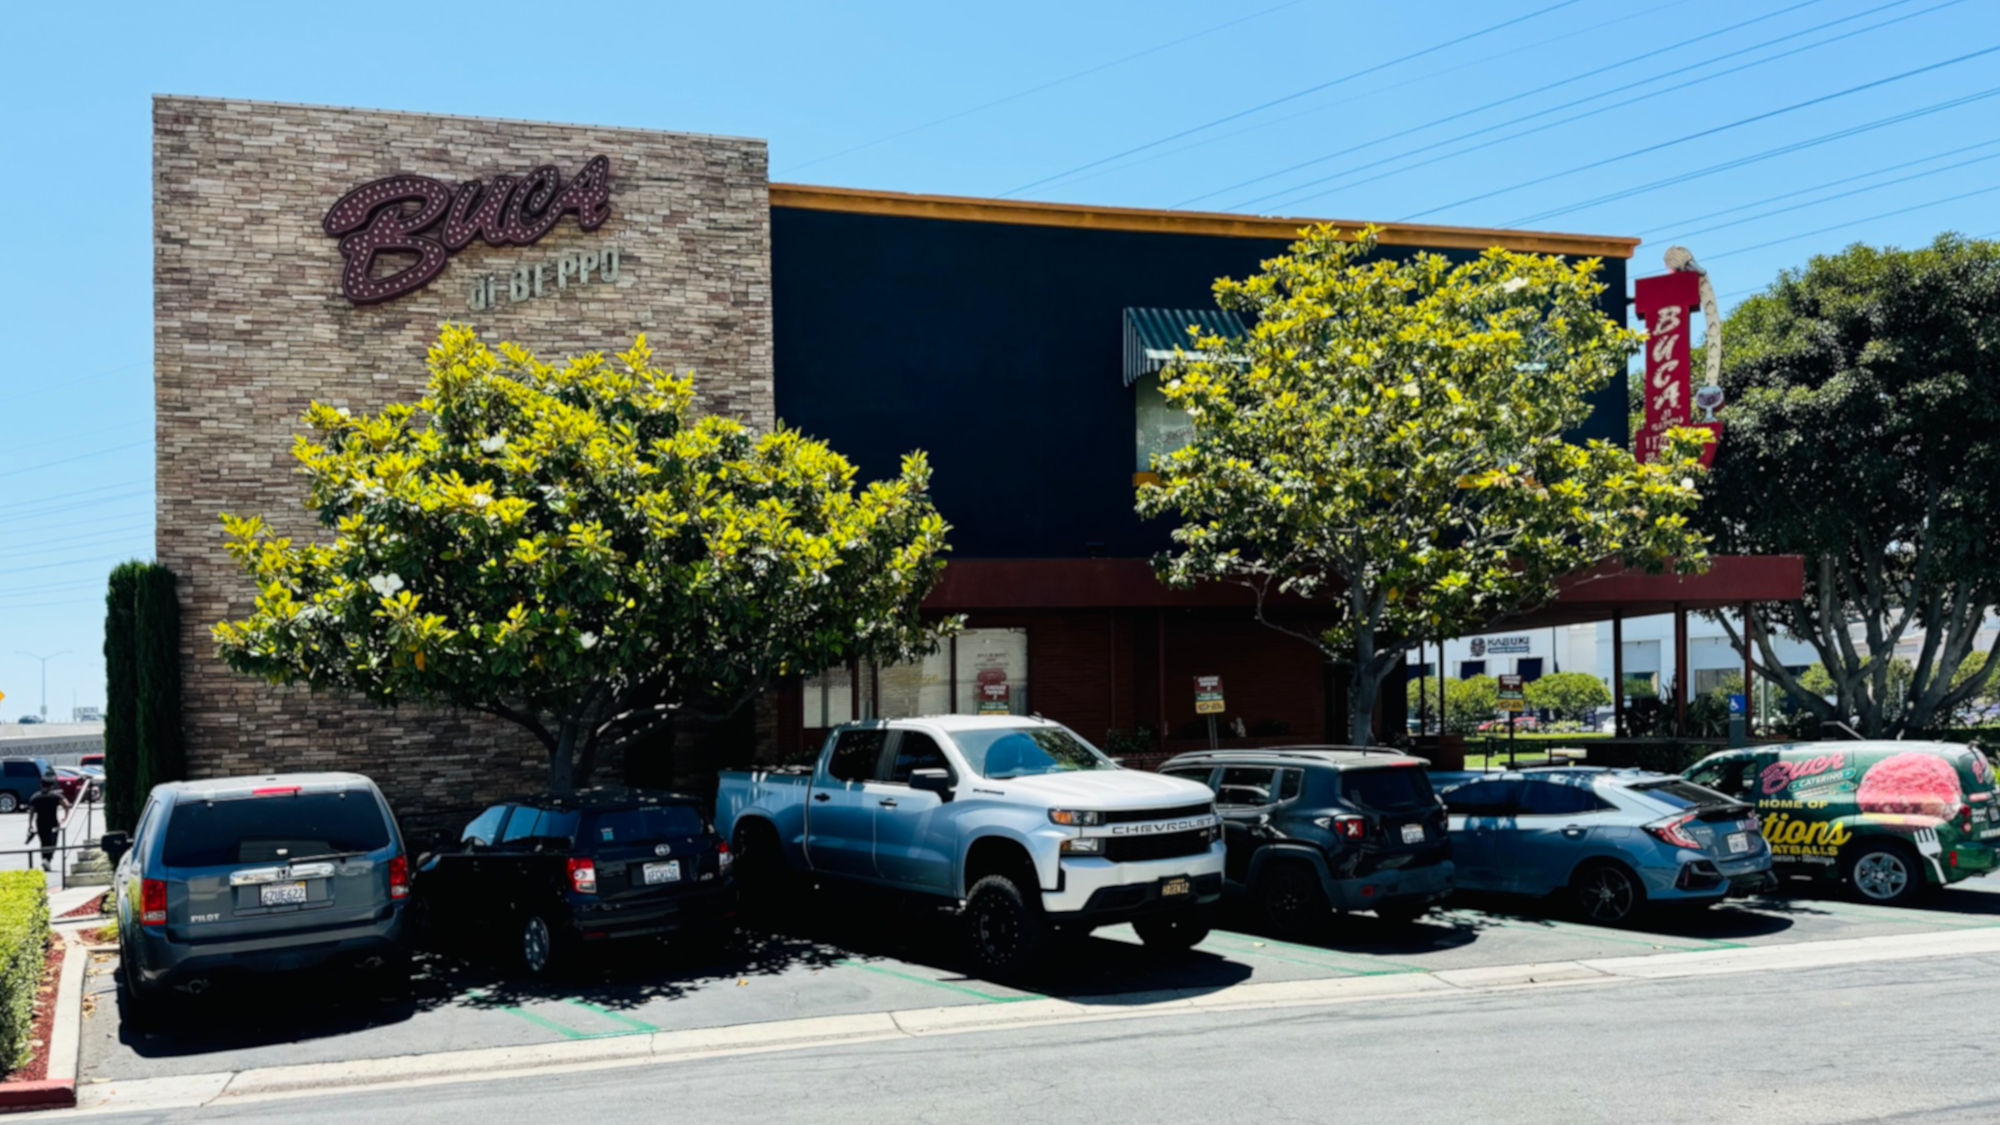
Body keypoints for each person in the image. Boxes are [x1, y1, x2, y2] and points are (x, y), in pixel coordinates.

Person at [25, 776, 72, 874]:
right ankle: (47, 860)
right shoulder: (56, 796)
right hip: (53, 822)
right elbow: (67, 805)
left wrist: (30, 824)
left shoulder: (35, 796)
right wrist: (65, 817)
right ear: (52, 786)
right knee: (53, 842)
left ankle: (45, 860)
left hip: (40, 823)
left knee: (44, 842)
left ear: (41, 785)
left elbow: (31, 812)